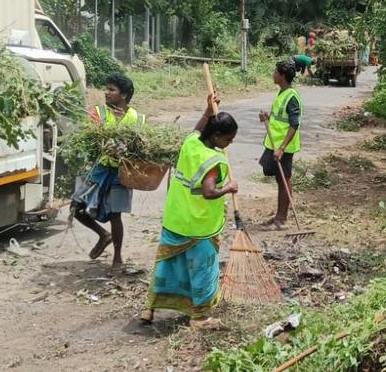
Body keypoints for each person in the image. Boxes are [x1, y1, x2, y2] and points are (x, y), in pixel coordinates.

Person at [140, 98, 239, 326]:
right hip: (199, 225)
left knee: (166, 265)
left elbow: (198, 128)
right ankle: (200, 317)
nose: (230, 143)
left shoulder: (191, 142)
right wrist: (229, 187)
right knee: (202, 269)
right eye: (228, 139)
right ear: (216, 136)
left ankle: (150, 308)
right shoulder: (213, 160)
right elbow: (209, 192)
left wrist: (207, 110)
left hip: (175, 219)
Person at [71, 73, 145, 271]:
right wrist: (104, 144)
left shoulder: (137, 118)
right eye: (107, 89)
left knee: (115, 214)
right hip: (99, 169)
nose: (106, 93)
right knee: (76, 207)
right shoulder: (99, 113)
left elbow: (140, 148)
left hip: (121, 172)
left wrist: (126, 151)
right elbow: (89, 138)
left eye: (112, 90)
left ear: (124, 95)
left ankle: (117, 258)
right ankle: (103, 235)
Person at [259, 60, 302, 230]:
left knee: (284, 180)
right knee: (279, 178)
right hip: (274, 143)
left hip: (283, 146)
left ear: (282, 76)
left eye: (275, 72)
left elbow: (294, 124)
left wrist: (282, 148)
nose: (273, 74)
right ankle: (278, 215)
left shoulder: (292, 97)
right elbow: (280, 118)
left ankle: (282, 219)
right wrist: (267, 118)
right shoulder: (282, 93)